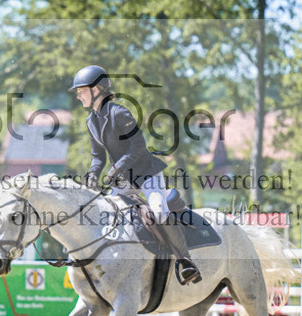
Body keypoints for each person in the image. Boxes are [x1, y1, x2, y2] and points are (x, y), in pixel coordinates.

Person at [69, 65, 202, 285]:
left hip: (146, 175)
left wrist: (115, 169)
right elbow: (98, 156)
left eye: (81, 90)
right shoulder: (91, 121)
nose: (77, 94)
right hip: (122, 181)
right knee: (104, 214)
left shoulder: (120, 113)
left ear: (96, 90)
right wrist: (93, 173)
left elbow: (138, 146)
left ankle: (185, 261)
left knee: (159, 212)